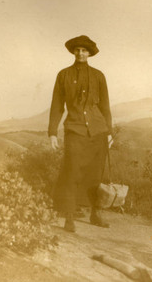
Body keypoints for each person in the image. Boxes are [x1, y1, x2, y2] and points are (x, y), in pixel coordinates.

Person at [48, 35, 113, 233]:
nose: (80, 53)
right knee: (72, 172)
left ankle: (96, 213)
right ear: (73, 52)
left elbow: (105, 105)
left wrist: (109, 131)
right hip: (74, 130)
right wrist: (52, 132)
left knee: (95, 173)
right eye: (77, 50)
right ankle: (69, 217)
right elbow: (57, 105)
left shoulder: (98, 76)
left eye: (84, 50)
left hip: (98, 131)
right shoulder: (63, 75)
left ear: (90, 53)